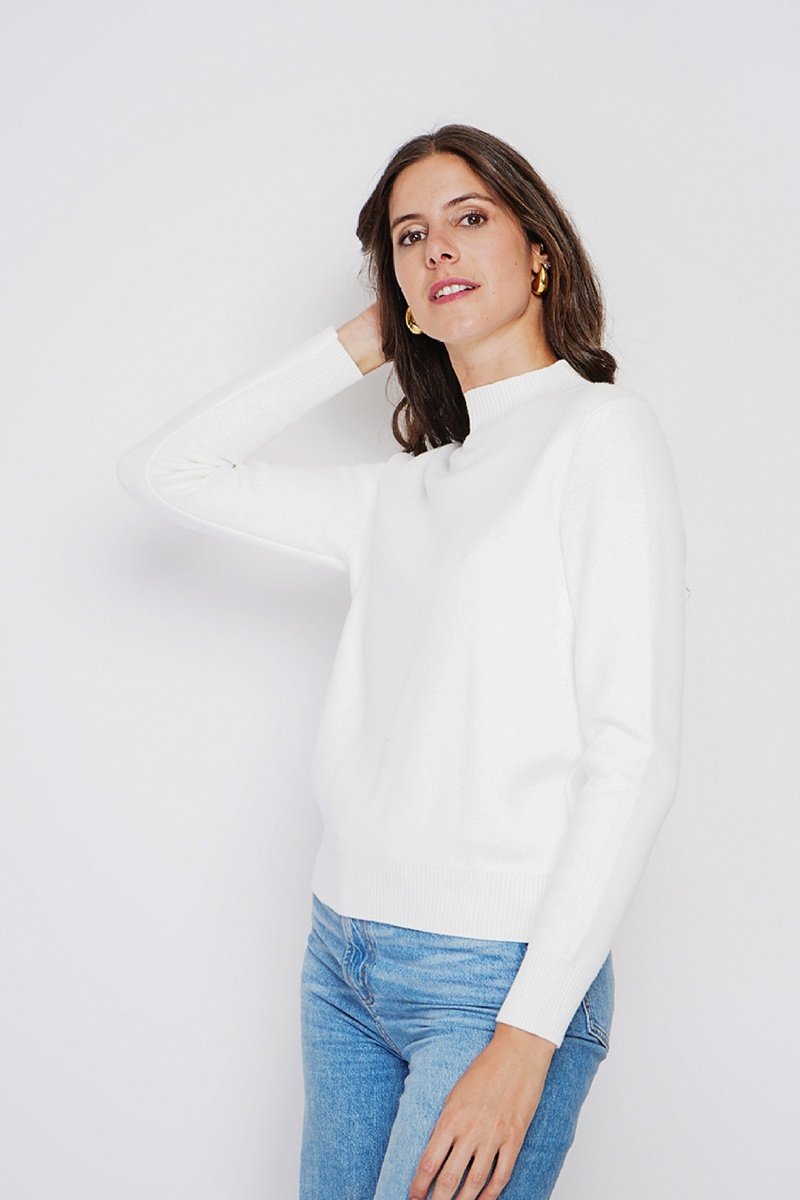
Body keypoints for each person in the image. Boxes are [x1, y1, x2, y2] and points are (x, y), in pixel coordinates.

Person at [116, 124, 688, 1199]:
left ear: (539, 252)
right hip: (343, 956)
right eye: (408, 237)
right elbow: (165, 472)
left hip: (494, 978)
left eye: (470, 218)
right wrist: (364, 338)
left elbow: (634, 755)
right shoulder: (402, 492)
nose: (438, 249)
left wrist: (527, 1036)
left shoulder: (597, 434)